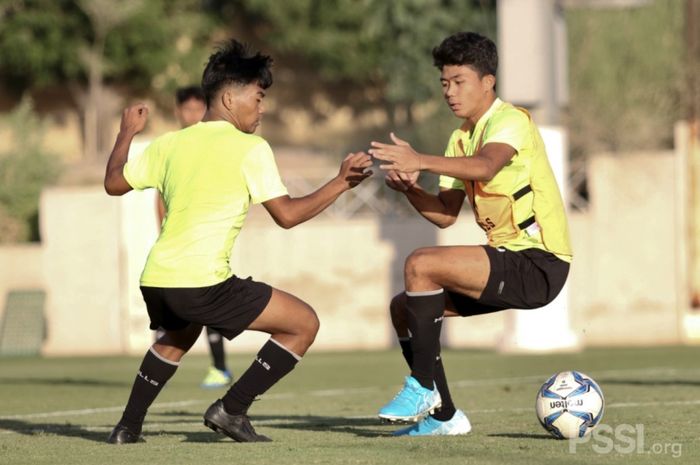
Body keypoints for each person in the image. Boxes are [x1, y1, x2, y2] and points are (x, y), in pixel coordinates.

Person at [103, 38, 373, 444]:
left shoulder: (170, 143)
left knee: (177, 337)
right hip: (201, 281)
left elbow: (112, 183)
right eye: (259, 98)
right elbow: (287, 216)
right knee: (303, 324)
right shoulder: (251, 149)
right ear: (229, 98)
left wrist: (126, 133)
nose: (262, 109)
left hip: (157, 278)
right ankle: (232, 409)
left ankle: (127, 427)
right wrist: (339, 183)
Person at [369, 31, 572, 436]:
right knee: (403, 308)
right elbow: (444, 215)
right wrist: (410, 188)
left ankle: (423, 388)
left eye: (458, 81)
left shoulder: (511, 120)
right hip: (506, 259)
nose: (449, 91)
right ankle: (444, 417)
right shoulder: (459, 138)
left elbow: (485, 167)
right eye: (444, 82)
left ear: (487, 82)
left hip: (538, 262)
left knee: (420, 263)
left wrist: (420, 159)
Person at [155, 85, 233, 389]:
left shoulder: (216, 143)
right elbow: (161, 193)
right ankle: (162, 362)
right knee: (172, 304)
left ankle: (220, 367)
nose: (191, 114)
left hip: (207, 238)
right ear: (178, 111)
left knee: (209, 299)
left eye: (196, 108)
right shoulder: (172, 145)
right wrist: (162, 231)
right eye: (186, 108)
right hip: (176, 241)